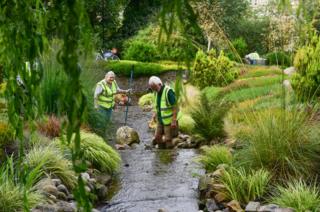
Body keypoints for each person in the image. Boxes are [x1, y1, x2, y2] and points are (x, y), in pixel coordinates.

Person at [149, 76, 180, 149]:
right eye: (152, 88)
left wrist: (174, 120)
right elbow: (157, 106)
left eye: (154, 87)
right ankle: (161, 155)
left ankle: (170, 156)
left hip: (169, 121)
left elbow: (175, 106)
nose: (154, 90)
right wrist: (154, 115)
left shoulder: (168, 92)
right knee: (157, 137)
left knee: (168, 140)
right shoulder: (156, 92)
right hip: (160, 120)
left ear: (159, 84)